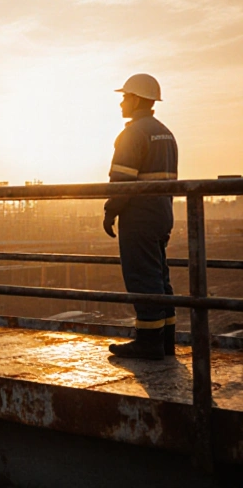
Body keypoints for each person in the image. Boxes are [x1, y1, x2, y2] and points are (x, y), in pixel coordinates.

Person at [102, 74, 179, 360]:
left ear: (135, 99)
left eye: (125, 96)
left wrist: (111, 210)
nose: (122, 102)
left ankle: (148, 342)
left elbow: (122, 181)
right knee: (160, 277)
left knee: (142, 276)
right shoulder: (165, 132)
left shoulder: (133, 133)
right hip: (162, 214)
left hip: (140, 217)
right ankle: (166, 340)